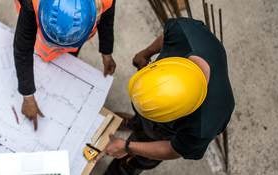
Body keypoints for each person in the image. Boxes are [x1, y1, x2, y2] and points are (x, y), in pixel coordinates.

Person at [102, 17, 235, 175]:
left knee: (141, 158)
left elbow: (173, 149)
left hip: (162, 135)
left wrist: (127, 147)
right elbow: (168, 36)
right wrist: (147, 53)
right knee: (141, 119)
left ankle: (127, 167)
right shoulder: (184, 33)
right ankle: (136, 122)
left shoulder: (204, 124)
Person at [14, 0, 117, 130]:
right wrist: (27, 95)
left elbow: (107, 19)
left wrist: (106, 52)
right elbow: (23, 49)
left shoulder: (105, 2)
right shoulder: (30, 3)